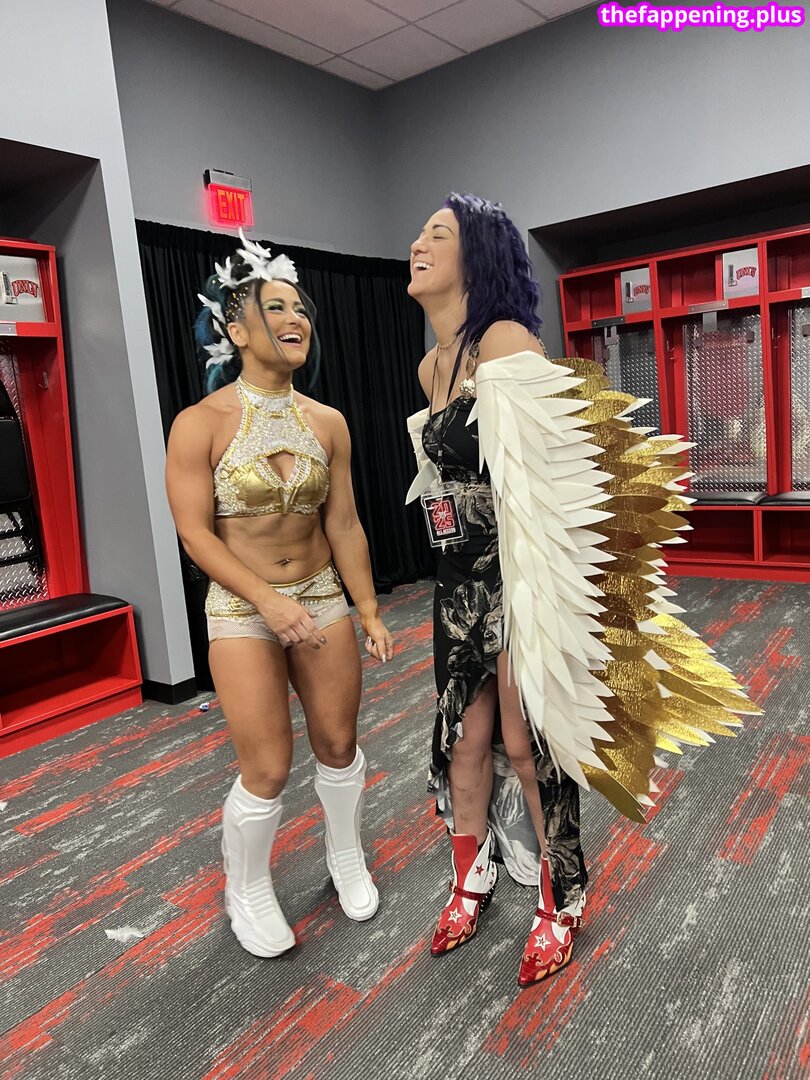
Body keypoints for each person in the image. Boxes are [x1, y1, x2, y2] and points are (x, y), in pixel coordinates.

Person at [405, 193, 758, 986]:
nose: (417, 245)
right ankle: (471, 879)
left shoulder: (504, 341)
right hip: (458, 580)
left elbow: (567, 471)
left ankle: (562, 892)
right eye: (419, 233)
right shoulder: (432, 366)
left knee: (528, 743)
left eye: (438, 234)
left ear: (477, 255)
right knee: (461, 738)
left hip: (523, 579)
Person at [166, 231, 393, 959]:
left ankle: (345, 856)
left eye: (300, 308)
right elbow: (196, 535)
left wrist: (367, 608)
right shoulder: (198, 425)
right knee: (266, 766)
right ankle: (248, 889)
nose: (296, 319)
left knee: (339, 744)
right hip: (242, 608)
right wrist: (267, 600)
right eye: (276, 307)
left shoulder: (328, 422)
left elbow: (344, 523)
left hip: (320, 595)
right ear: (235, 330)